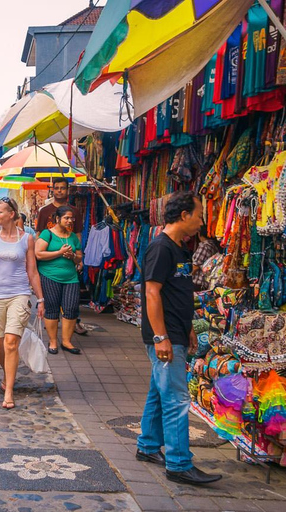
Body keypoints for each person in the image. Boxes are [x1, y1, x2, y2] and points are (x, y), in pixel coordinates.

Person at [137, 191, 221, 486]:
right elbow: (151, 292)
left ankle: (147, 446)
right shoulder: (161, 248)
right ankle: (179, 464)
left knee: (159, 393)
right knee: (176, 398)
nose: (201, 222)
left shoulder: (179, 249)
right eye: (198, 215)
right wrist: (161, 336)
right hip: (164, 335)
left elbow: (177, 293)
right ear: (184, 215)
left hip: (175, 331)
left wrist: (186, 330)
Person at [0, 197, 45, 410]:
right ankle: (8, 371)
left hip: (19, 294)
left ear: (12, 214)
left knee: (11, 342)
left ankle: (9, 391)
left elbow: (32, 271)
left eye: (0, 212)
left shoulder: (26, 239)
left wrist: (39, 299)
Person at [36, 178, 88, 336]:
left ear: (67, 190)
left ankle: (72, 323)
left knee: (71, 302)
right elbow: (39, 234)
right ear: (53, 190)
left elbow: (78, 233)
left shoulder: (74, 211)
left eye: (62, 188)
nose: (59, 191)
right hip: (49, 262)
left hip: (69, 261)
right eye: (57, 188)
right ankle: (52, 323)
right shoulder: (45, 211)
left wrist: (78, 257)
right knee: (52, 300)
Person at [34, 206, 83, 355]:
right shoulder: (47, 234)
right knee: (52, 308)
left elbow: (80, 256)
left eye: (71, 218)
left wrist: (72, 257)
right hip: (50, 276)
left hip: (71, 278)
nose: (70, 221)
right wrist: (60, 253)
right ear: (57, 219)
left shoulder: (73, 236)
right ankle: (53, 341)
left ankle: (67, 341)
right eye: (66, 218)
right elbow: (38, 254)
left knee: (71, 308)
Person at [191, 227, 219, 291]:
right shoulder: (213, 246)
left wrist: (185, 277)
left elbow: (195, 267)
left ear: (199, 234)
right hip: (206, 282)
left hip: (199, 282)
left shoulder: (204, 246)